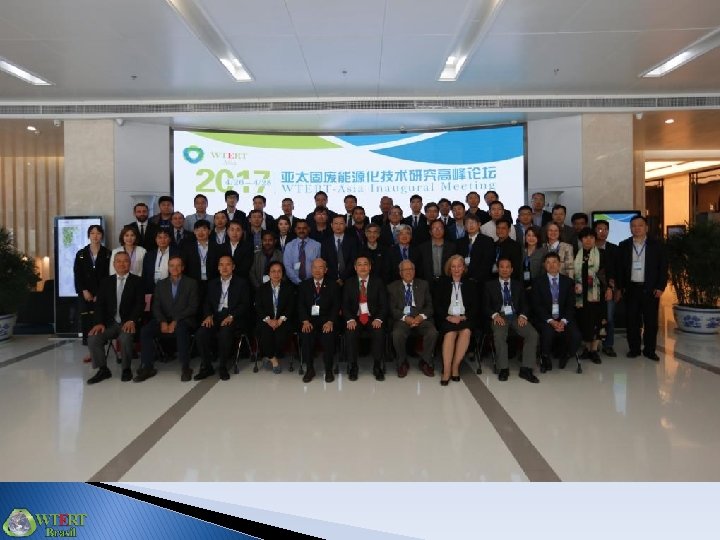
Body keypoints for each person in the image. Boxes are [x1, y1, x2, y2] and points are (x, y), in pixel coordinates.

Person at [136, 256, 199, 382]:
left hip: (183, 319)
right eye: (172, 265)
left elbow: (193, 307)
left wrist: (175, 321)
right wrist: (163, 321)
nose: (175, 268)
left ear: (182, 268)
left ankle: (185, 367)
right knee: (145, 331)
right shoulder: (160, 284)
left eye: (178, 265)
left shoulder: (191, 283)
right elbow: (156, 306)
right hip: (164, 319)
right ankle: (147, 367)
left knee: (181, 329)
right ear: (168, 268)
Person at [86, 252, 145, 384]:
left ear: (130, 264)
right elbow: (99, 305)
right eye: (118, 261)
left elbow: (140, 304)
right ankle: (103, 369)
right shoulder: (106, 282)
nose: (122, 264)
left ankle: (126, 369)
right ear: (114, 264)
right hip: (109, 324)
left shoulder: (138, 281)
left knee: (125, 338)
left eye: (125, 261)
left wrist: (132, 320)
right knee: (93, 338)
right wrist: (99, 323)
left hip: (128, 323)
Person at [616, 215, 668, 361]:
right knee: (632, 321)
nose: (637, 228)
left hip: (650, 289)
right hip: (631, 288)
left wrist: (660, 286)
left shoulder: (657, 245)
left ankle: (650, 350)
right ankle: (634, 349)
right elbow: (620, 269)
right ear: (630, 228)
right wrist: (620, 287)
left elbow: (663, 268)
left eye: (640, 225)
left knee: (651, 322)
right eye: (633, 226)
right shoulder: (624, 245)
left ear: (646, 227)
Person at [483, 257, 539, 383]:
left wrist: (523, 316)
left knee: (532, 334)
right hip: (499, 316)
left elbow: (525, 304)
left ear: (512, 269)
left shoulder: (518, 285)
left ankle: (526, 369)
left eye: (507, 267)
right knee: (499, 334)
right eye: (501, 267)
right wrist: (495, 315)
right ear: (498, 269)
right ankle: (503, 368)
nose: (504, 269)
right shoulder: (489, 285)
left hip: (515, 316)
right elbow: (485, 306)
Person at [194, 255, 247, 381]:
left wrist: (231, 316)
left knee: (225, 333)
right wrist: (208, 316)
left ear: (233, 267)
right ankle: (207, 367)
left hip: (232, 316)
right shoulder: (212, 283)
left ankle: (223, 367)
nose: (224, 267)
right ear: (218, 267)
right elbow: (207, 303)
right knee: (201, 333)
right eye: (221, 265)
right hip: (215, 316)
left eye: (228, 264)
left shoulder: (242, 283)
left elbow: (244, 304)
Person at [531, 252, 581, 371]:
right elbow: (537, 306)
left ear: (559, 265)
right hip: (546, 317)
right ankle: (545, 356)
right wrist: (551, 321)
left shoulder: (568, 282)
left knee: (576, 335)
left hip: (564, 317)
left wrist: (563, 321)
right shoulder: (537, 282)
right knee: (548, 332)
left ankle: (567, 355)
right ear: (544, 265)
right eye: (548, 263)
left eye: (554, 262)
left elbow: (570, 305)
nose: (552, 265)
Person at [388, 260, 438, 378]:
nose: (408, 272)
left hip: (421, 318)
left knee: (432, 332)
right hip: (403, 319)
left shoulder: (423, 285)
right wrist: (405, 318)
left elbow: (429, 306)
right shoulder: (392, 287)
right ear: (400, 273)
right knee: (397, 334)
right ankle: (402, 362)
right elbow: (392, 309)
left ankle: (425, 361)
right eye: (405, 270)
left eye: (411, 269)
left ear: (414, 271)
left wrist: (421, 317)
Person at [433, 255, 478, 386]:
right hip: (447, 318)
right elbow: (437, 304)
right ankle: (447, 370)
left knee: (466, 332)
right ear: (449, 268)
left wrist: (465, 316)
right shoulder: (441, 283)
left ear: (463, 268)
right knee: (450, 334)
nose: (456, 269)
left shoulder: (470, 283)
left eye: (459, 266)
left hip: (465, 317)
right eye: (453, 266)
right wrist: (448, 317)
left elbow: (475, 306)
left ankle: (455, 367)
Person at [342, 256, 387, 382]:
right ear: (355, 268)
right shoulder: (349, 282)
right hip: (355, 317)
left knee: (379, 332)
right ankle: (353, 366)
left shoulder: (378, 282)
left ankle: (377, 366)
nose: (363, 267)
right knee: (350, 332)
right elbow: (345, 305)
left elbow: (384, 304)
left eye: (365, 264)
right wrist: (350, 319)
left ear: (370, 267)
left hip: (373, 317)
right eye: (359, 264)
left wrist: (379, 319)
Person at [573, 228, 614, 364]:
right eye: (585, 237)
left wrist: (610, 288)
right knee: (583, 320)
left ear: (595, 239)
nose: (588, 240)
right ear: (581, 240)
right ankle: (586, 348)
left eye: (591, 237)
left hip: (598, 294)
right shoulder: (576, 254)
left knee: (598, 320)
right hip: (580, 294)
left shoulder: (602, 254)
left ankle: (594, 350)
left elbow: (609, 273)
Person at [297, 258, 339, 383]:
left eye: (321, 267)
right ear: (311, 270)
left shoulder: (333, 285)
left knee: (329, 336)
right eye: (315, 267)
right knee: (306, 335)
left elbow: (336, 305)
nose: (317, 270)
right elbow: (300, 305)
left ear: (325, 270)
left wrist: (330, 321)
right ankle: (310, 369)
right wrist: (305, 321)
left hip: (327, 320)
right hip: (309, 320)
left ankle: (328, 369)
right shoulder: (304, 285)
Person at [73, 224, 111, 349]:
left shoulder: (108, 253)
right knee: (86, 319)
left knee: (99, 318)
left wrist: (100, 294)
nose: (95, 236)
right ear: (88, 236)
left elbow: (108, 276)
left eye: (98, 233)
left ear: (102, 236)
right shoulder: (81, 254)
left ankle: (100, 346)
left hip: (102, 293)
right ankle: (89, 347)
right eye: (92, 233)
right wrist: (84, 290)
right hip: (85, 293)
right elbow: (77, 274)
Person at [255, 261, 296, 374]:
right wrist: (269, 320)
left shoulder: (289, 288)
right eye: (273, 271)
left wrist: (280, 320)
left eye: (279, 271)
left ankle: (269, 356)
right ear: (269, 273)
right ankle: (273, 360)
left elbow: (291, 306)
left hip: (283, 320)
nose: (276, 274)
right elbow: (258, 306)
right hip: (266, 320)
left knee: (280, 336)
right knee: (265, 334)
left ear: (282, 273)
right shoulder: (262, 288)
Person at [594, 219, 619, 357]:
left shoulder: (614, 249)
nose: (602, 232)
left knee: (609, 317)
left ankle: (608, 345)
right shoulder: (589, 247)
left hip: (609, 289)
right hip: (592, 289)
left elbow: (617, 270)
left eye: (605, 229)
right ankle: (593, 345)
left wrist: (613, 288)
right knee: (594, 317)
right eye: (599, 229)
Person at [182, 219, 221, 303]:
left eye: (204, 229)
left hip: (213, 283)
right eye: (197, 230)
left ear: (209, 232)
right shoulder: (187, 248)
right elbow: (184, 267)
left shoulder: (217, 247)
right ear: (194, 232)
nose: (200, 232)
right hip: (194, 283)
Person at [455, 214, 495, 283]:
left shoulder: (487, 241)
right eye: (468, 223)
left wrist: (475, 278)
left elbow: (487, 262)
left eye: (473, 222)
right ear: (465, 227)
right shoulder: (459, 242)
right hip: (463, 279)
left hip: (481, 280)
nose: (471, 225)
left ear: (479, 225)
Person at [321, 214, 358, 286]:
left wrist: (342, 278)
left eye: (341, 223)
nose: (338, 226)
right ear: (331, 225)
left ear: (345, 225)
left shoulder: (352, 241)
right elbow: (324, 262)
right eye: (336, 223)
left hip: (349, 278)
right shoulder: (325, 242)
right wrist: (336, 278)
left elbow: (353, 261)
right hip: (331, 279)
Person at [418, 219, 455, 288]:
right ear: (430, 232)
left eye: (440, 228)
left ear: (444, 230)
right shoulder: (422, 248)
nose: (438, 230)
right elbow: (420, 268)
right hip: (427, 283)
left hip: (447, 282)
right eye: (435, 228)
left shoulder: (452, 247)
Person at [283, 219, 322, 285]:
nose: (301, 230)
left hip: (312, 284)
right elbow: (287, 266)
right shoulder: (289, 246)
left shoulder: (317, 245)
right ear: (295, 230)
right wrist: (298, 282)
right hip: (292, 283)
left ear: (309, 229)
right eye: (299, 228)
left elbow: (319, 266)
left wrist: (311, 282)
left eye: (304, 228)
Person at [141, 229, 178, 295]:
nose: (162, 240)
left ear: (170, 239)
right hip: (152, 290)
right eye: (159, 237)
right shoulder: (149, 255)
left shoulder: (177, 254)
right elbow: (145, 274)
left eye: (165, 237)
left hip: (171, 289)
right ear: (156, 239)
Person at [522, 226, 547, 290]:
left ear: (538, 237)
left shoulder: (543, 251)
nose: (531, 238)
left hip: (537, 285)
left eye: (534, 236)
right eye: (529, 235)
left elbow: (544, 271)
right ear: (525, 237)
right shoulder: (521, 250)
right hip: (522, 284)